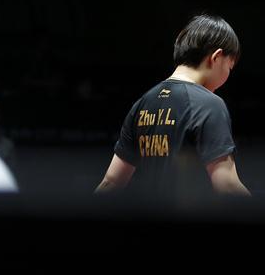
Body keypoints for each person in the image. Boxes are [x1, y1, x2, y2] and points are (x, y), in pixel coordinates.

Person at [95, 14, 249, 201]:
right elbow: (228, 186)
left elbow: (110, 183)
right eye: (229, 68)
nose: (227, 76)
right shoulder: (209, 105)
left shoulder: (143, 103)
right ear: (216, 57)